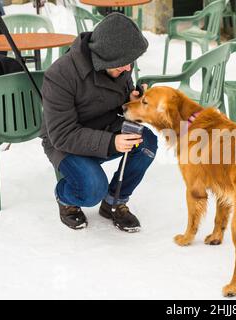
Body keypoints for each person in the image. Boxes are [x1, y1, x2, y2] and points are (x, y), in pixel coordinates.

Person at [40, 13, 157, 232]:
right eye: (123, 64)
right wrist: (112, 143)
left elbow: (114, 97)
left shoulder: (118, 63)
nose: (128, 69)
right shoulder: (59, 75)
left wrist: (130, 102)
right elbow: (62, 134)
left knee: (147, 144)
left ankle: (114, 202)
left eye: (131, 63)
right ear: (104, 58)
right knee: (92, 189)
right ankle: (65, 198)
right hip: (65, 141)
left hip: (106, 127)